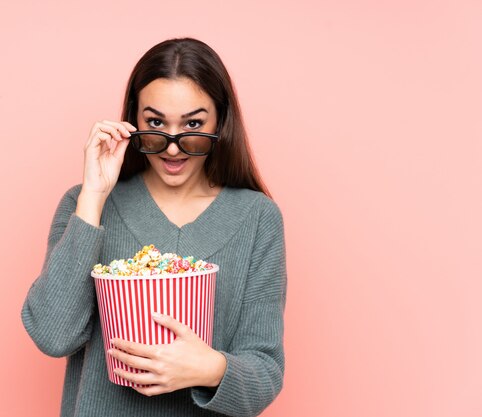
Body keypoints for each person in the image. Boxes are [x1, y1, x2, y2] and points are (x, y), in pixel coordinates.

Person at [21, 37, 287, 417]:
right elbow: (52, 335)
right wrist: (94, 197)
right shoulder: (84, 206)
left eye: (193, 124)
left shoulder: (258, 219)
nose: (173, 148)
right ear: (133, 120)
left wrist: (209, 368)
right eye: (156, 123)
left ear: (221, 121)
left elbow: (265, 371)